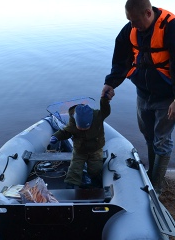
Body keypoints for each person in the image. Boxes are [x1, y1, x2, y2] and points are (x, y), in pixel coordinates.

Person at [101, 0, 175, 196]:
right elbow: (121, 59)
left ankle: (156, 188)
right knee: (148, 135)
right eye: (129, 20)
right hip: (143, 93)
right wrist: (110, 83)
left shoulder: (171, 27)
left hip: (167, 97)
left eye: (135, 20)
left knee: (162, 140)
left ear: (148, 13)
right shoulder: (130, 29)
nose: (132, 25)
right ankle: (152, 174)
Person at [50, 97, 110, 189]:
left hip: (95, 149)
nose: (82, 129)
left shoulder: (98, 116)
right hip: (80, 149)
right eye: (80, 127)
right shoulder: (73, 120)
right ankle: (70, 185)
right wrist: (56, 136)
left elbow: (106, 110)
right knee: (75, 168)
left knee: (96, 168)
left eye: (85, 128)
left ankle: (95, 181)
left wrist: (104, 100)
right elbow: (67, 131)